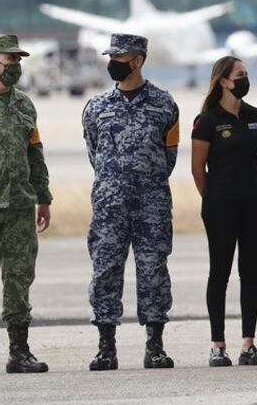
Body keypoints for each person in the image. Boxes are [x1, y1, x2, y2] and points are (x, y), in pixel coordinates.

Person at [82, 34, 180, 370]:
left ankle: (155, 346)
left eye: (118, 56)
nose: (112, 62)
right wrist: (116, 183)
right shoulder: (96, 107)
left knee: (154, 271)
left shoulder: (164, 104)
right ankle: (105, 347)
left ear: (137, 60)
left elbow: (169, 156)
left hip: (151, 204)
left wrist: (143, 180)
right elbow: (94, 153)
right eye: (110, 55)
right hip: (109, 206)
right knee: (106, 271)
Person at [0, 35, 51, 373]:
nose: (16, 65)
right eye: (11, 59)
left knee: (19, 278)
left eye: (19, 60)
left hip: (19, 206)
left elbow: (35, 152)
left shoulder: (24, 105)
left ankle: (19, 352)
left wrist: (43, 197)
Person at [191, 56, 257, 367]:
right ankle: (217, 345)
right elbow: (198, 169)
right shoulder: (208, 120)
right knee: (220, 272)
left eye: (246, 74)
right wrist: (212, 199)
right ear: (223, 80)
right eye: (239, 75)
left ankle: (248, 344)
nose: (244, 79)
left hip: (254, 201)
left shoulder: (255, 116)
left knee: (251, 272)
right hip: (220, 204)